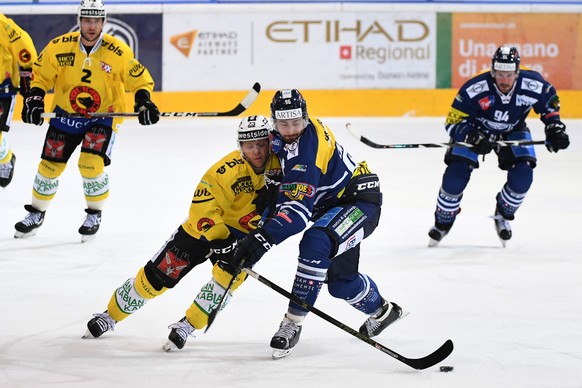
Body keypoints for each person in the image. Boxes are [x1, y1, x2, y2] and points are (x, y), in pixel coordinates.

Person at [228, 89, 407, 359]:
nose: (290, 130)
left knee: (315, 243)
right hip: (330, 207)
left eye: (296, 123)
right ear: (273, 121)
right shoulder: (281, 137)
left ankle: (292, 323)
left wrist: (257, 242)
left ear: (306, 118)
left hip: (358, 202)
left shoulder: (307, 153)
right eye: (283, 124)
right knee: (341, 284)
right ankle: (383, 312)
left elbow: (297, 215)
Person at [83, 115, 283, 352]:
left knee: (225, 282)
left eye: (261, 144)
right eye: (250, 146)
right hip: (202, 231)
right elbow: (202, 209)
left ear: (271, 141)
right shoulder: (224, 171)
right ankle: (111, 315)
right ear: (240, 146)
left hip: (243, 237)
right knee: (157, 277)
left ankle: (188, 324)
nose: (257, 151)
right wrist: (221, 239)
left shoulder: (283, 166)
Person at [15, 0, 160, 242]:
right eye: (87, 20)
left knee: (90, 164)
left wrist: (144, 102)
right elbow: (40, 75)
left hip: (103, 116)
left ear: (103, 22)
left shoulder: (117, 51)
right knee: (49, 167)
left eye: (96, 20)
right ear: (79, 21)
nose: (92, 26)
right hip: (66, 114)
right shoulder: (59, 47)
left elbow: (139, 78)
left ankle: (94, 214)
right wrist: (35, 99)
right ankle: (36, 214)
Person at [427, 46, 570, 248]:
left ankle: (503, 213)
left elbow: (550, 105)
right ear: (493, 71)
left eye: (509, 75)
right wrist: (470, 135)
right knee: (455, 175)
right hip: (476, 129)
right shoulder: (474, 88)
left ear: (517, 73)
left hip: (514, 129)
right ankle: (443, 222)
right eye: (500, 74)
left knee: (523, 176)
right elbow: (452, 122)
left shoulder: (533, 84)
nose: (504, 80)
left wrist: (554, 128)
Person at [0, 14, 37, 188]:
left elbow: (25, 49)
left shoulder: (5, 26)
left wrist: (27, 77)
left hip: (2, 90)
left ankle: (6, 159)